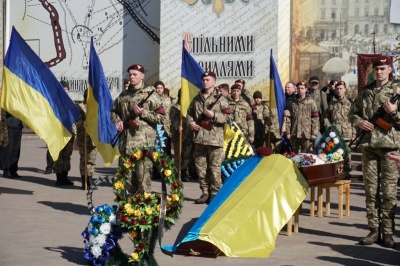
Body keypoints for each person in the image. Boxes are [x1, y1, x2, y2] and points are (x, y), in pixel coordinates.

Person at [348, 55, 400, 248]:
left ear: (390, 70)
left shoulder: (397, 91)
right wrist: (359, 121)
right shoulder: (365, 92)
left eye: (383, 69)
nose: (379, 72)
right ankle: (373, 230)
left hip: (390, 148)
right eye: (376, 69)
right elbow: (351, 113)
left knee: (389, 192)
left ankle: (387, 233)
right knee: (371, 190)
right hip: (369, 147)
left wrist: (394, 112)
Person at [111, 64, 164, 194]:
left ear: (142, 76)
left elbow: (161, 117)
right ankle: (128, 211)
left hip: (143, 145)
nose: (132, 77)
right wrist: (117, 121)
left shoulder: (151, 94)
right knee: (127, 182)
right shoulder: (124, 95)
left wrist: (143, 113)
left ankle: (144, 212)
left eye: (135, 74)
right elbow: (113, 111)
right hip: (125, 145)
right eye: (130, 74)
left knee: (143, 181)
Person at [187, 71, 232, 204]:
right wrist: (191, 123)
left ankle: (215, 193)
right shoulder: (196, 99)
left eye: (208, 80)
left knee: (214, 168)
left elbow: (229, 117)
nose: (205, 82)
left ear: (214, 82)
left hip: (214, 140)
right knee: (200, 168)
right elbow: (189, 113)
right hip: (199, 138)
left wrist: (214, 115)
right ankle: (205, 192)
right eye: (204, 80)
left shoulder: (221, 100)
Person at [324, 81, 355, 179]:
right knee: (335, 154)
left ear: (345, 89)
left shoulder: (350, 103)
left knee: (346, 154)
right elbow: (326, 117)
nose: (339, 91)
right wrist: (329, 128)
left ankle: (346, 173)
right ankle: (337, 173)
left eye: (341, 88)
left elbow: (354, 119)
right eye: (337, 89)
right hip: (334, 133)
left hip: (346, 133)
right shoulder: (331, 103)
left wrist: (354, 133)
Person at [285, 81, 319, 153]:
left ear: (306, 89)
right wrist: (288, 132)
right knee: (295, 156)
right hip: (294, 133)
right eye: (299, 88)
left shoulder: (311, 102)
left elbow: (315, 118)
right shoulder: (293, 102)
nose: (300, 90)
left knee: (306, 157)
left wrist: (314, 133)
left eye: (302, 88)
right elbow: (288, 119)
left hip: (306, 134)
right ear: (296, 89)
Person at [53, 80, 75, 186]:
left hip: (69, 133)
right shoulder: (55, 103)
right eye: (63, 89)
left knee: (67, 156)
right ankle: (59, 178)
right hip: (58, 133)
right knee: (59, 156)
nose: (65, 91)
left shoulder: (71, 103)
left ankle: (65, 177)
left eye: (66, 90)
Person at [169, 89, 194, 182]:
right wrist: (177, 126)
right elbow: (172, 118)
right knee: (178, 155)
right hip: (178, 135)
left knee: (186, 155)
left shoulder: (189, 106)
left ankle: (183, 173)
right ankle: (177, 173)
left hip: (188, 135)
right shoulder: (174, 107)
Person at [76, 89, 98, 190]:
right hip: (83, 138)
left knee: (92, 161)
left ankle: (89, 180)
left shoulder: (96, 107)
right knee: (84, 160)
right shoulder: (79, 107)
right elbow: (78, 122)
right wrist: (86, 121)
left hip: (93, 139)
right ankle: (84, 181)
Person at [154, 80, 171, 156]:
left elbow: (170, 113)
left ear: (163, 89)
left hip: (165, 126)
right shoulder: (151, 99)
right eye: (158, 88)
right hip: (154, 125)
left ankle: (165, 166)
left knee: (165, 147)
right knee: (155, 147)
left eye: (161, 88)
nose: (159, 89)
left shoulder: (167, 99)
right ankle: (155, 167)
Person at [0, 105, 8, 173]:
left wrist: (5, 139)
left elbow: (4, 126)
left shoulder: (2, 111)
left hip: (1, 137)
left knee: (3, 152)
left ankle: (2, 165)